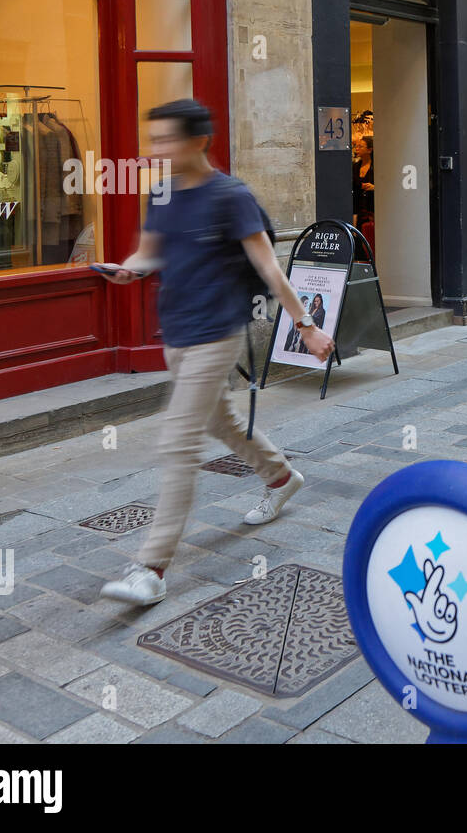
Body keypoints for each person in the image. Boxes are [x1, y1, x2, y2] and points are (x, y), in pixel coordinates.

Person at [97, 98, 334, 606]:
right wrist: (129, 268)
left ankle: (151, 568)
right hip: (176, 333)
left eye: (166, 139)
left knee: (178, 441)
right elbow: (151, 250)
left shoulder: (232, 197)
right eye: (154, 139)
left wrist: (307, 327)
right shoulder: (160, 194)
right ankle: (280, 475)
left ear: (199, 140)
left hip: (216, 334)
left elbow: (271, 269)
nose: (157, 148)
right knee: (219, 422)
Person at [352, 134, 374, 223]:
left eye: (360, 146)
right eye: (356, 146)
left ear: (369, 150)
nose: (357, 149)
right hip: (357, 209)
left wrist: (374, 187)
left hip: (372, 208)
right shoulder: (355, 166)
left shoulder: (377, 166)